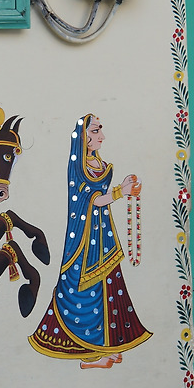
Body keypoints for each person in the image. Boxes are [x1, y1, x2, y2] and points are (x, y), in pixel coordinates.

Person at [29, 114, 151, 368]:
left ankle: (107, 346)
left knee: (108, 286)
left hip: (103, 233)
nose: (101, 136)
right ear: (83, 137)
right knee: (85, 290)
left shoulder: (98, 163)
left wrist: (124, 186)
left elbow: (102, 195)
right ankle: (90, 353)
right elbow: (92, 199)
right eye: (95, 131)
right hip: (84, 240)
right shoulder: (78, 167)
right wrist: (121, 192)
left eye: (100, 130)